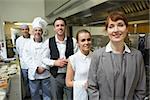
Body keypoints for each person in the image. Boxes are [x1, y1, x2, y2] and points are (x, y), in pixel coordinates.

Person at [87, 11, 146, 100]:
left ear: (126, 29)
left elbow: (141, 88)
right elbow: (92, 87)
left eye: (120, 25)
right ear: (107, 31)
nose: (116, 30)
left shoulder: (137, 56)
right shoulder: (97, 56)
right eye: (111, 26)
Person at [42, 17, 78, 100]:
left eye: (62, 25)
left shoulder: (73, 41)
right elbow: (44, 59)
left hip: (70, 76)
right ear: (54, 28)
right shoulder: (48, 42)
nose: (60, 27)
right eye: (57, 25)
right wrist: (55, 63)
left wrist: (71, 60)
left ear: (65, 27)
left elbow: (77, 56)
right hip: (55, 76)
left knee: (71, 97)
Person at [22, 17, 51, 100]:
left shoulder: (47, 43)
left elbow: (49, 56)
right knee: (34, 94)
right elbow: (26, 58)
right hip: (33, 74)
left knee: (47, 94)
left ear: (42, 32)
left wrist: (44, 67)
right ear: (32, 31)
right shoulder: (28, 44)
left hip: (45, 74)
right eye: (36, 30)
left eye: (39, 30)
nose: (37, 32)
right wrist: (36, 68)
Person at [66, 29, 92, 100]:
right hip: (80, 95)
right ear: (77, 43)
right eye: (83, 40)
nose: (86, 42)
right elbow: (68, 82)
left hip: (95, 95)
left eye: (88, 39)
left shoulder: (96, 56)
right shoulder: (73, 59)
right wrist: (84, 83)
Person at [16, 24, 31, 99]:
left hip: (32, 64)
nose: (25, 31)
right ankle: (28, 95)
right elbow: (18, 52)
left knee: (33, 80)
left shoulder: (33, 38)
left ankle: (35, 94)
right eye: (23, 29)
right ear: (21, 31)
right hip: (24, 65)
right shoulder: (18, 40)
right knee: (26, 81)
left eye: (26, 29)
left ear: (28, 30)